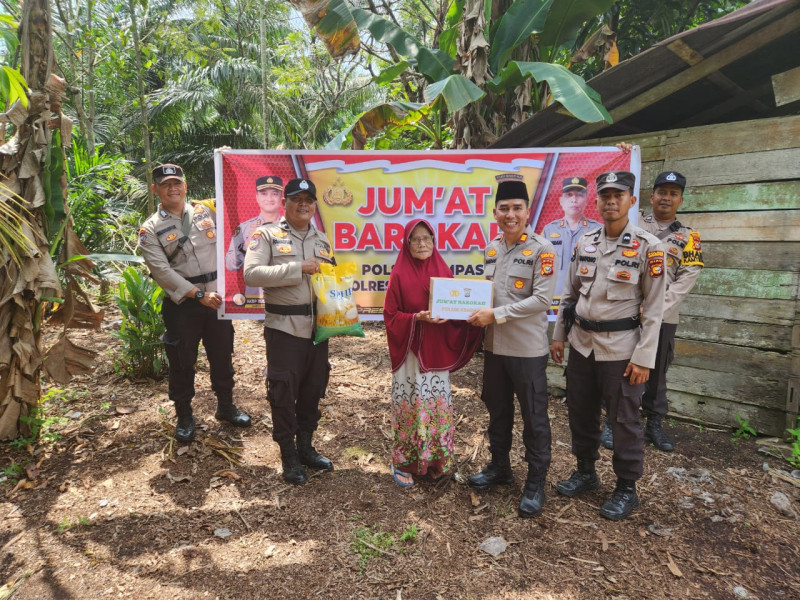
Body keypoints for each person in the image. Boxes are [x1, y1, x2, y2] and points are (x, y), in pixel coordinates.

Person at [551, 170, 666, 521]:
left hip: (621, 350)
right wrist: (558, 335)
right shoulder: (586, 241)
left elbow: (656, 310)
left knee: (624, 420)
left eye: (619, 195)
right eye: (605, 196)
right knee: (580, 411)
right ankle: (585, 471)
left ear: (632, 200)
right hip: (582, 344)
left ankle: (626, 488)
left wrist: (644, 358)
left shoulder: (650, 247)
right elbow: (569, 294)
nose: (611, 201)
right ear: (597, 201)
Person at [465, 175, 558, 518]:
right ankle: (500, 467)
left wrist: (496, 314)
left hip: (527, 351)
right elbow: (485, 295)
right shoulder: (492, 248)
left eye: (517, 208)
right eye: (504, 208)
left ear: (527, 211)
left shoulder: (543, 250)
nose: (510, 214)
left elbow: (542, 300)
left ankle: (535, 481)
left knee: (534, 418)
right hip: (494, 349)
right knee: (497, 412)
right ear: (495, 212)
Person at [139, 164, 251, 443]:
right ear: (156, 190)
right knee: (182, 361)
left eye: (177, 183)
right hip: (183, 306)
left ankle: (225, 406)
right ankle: (185, 415)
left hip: (217, 300)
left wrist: (230, 164)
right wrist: (198, 295)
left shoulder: (207, 210)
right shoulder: (149, 229)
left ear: (185, 186)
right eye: (165, 185)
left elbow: (236, 199)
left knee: (222, 356)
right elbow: (161, 271)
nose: (172, 188)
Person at [243, 178, 335, 485]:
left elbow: (330, 283)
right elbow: (252, 273)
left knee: (313, 389)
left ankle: (306, 447)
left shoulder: (322, 240)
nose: (304, 204)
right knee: (283, 392)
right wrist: (298, 267)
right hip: (284, 329)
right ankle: (288, 455)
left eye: (309, 199)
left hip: (317, 329)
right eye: (297, 199)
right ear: (286, 203)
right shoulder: (266, 235)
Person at [383, 219, 483, 487]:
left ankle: (436, 460)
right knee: (412, 405)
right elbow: (391, 316)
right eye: (415, 239)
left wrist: (471, 315)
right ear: (407, 243)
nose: (422, 243)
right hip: (411, 355)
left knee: (436, 406)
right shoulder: (399, 274)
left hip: (435, 354)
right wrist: (417, 318)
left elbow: (456, 309)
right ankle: (405, 462)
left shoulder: (442, 271)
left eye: (427, 238)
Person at [226, 175, 285, 302]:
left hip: (285, 298)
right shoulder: (244, 228)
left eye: (274, 194)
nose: (269, 198)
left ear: (281, 198)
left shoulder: (292, 228)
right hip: (256, 300)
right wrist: (243, 248)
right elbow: (230, 265)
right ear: (257, 198)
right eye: (264, 194)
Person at [541, 177, 601, 302]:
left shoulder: (598, 230)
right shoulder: (549, 230)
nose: (574, 200)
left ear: (586, 200)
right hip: (553, 300)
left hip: (587, 298)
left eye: (579, 195)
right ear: (561, 201)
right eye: (569, 195)